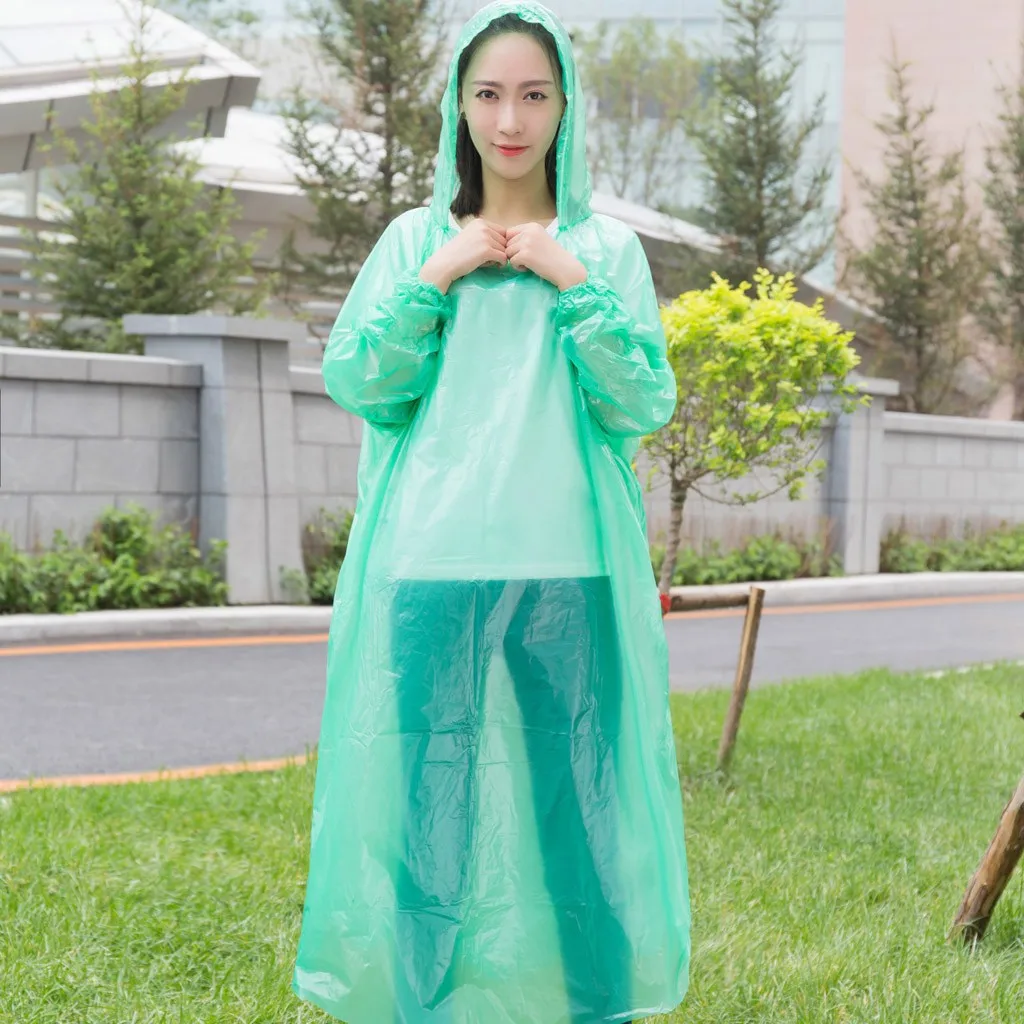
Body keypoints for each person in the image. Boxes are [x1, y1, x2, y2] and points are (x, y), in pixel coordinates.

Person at [292, 3, 691, 1023]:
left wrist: (572, 281)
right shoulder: (412, 241)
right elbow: (363, 381)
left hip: (571, 564)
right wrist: (440, 273)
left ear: (566, 107)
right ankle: (420, 1007)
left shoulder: (607, 250)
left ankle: (598, 1006)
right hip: (429, 562)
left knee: (581, 802)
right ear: (457, 107)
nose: (509, 120)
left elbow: (640, 400)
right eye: (487, 94)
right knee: (426, 809)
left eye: (533, 94)